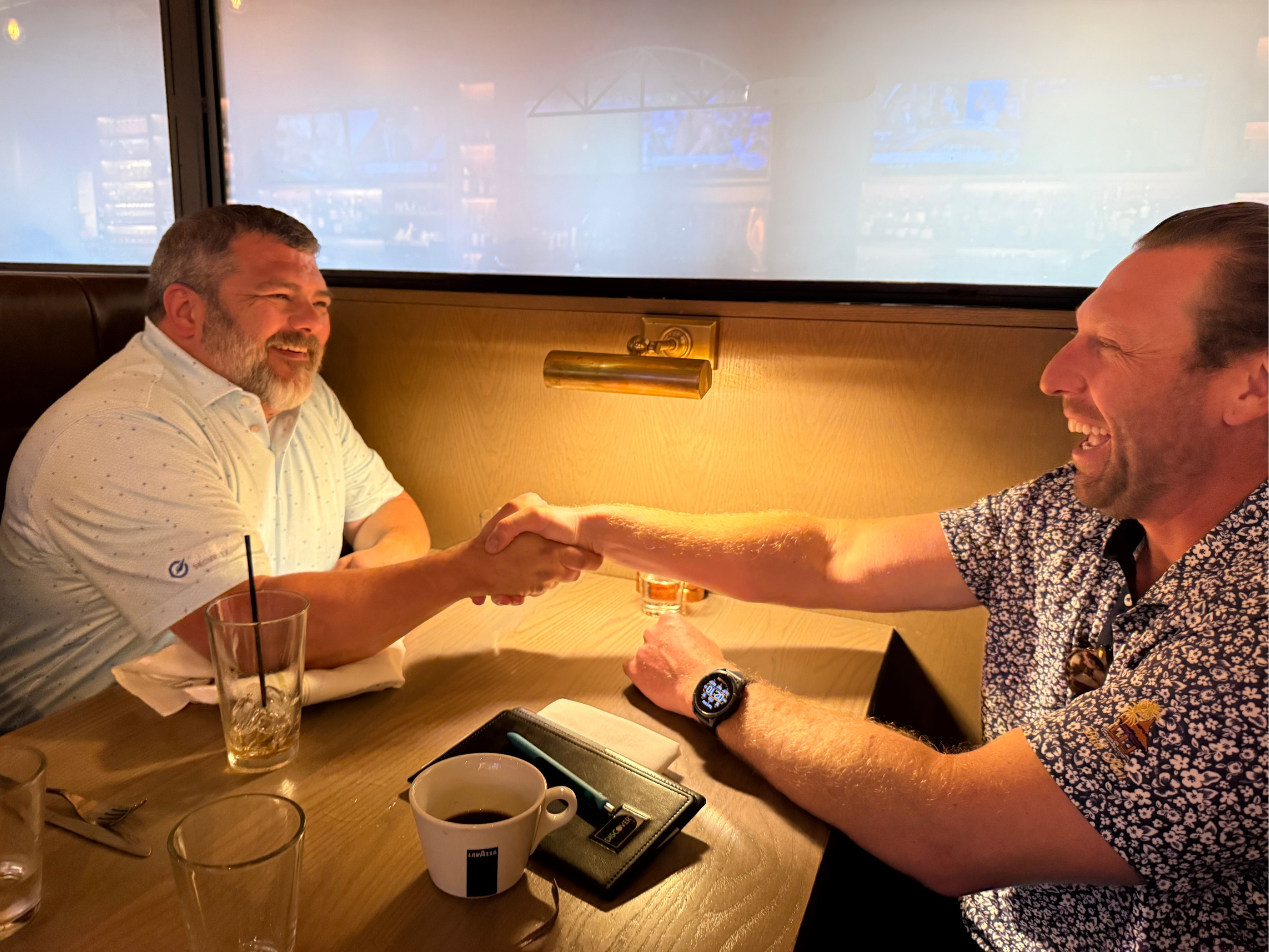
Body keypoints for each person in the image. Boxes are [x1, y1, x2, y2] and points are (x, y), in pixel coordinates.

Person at [477, 202, 1267, 949]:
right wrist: (590, 527)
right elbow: (835, 556)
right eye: (1077, 334)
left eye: (1111, 346)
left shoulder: (1246, 642)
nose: (1054, 374)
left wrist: (712, 689)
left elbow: (951, 827)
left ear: (1251, 386)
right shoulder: (1079, 511)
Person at [0, 205, 598, 732]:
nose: (311, 324)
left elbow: (393, 513)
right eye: (279, 298)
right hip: (93, 759)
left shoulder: (297, 395)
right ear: (186, 310)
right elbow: (250, 632)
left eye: (320, 303)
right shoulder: (118, 429)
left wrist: (378, 567)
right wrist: (470, 570)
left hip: (262, 715)